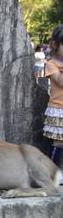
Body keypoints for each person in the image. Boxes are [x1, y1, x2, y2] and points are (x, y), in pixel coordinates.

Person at [43, 25, 63, 166]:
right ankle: (54, 172)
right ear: (56, 45)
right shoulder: (51, 65)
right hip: (59, 109)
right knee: (59, 141)